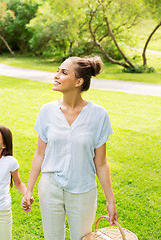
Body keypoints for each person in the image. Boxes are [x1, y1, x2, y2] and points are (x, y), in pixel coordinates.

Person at [22, 56, 118, 240]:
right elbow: (40, 154)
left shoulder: (98, 115)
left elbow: (101, 163)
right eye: (58, 70)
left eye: (63, 72)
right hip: (50, 188)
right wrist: (29, 190)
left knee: (82, 238)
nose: (56, 76)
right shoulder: (46, 111)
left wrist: (110, 200)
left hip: (83, 190)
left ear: (78, 82)